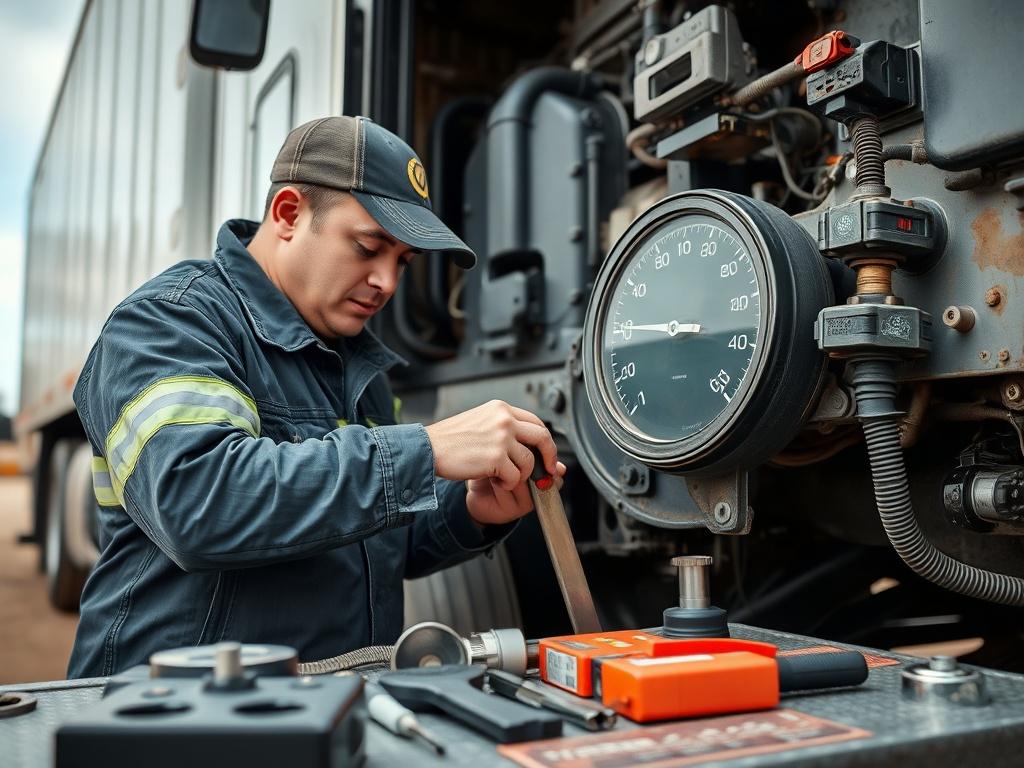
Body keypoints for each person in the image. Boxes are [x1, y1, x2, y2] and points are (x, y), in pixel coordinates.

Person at [68, 116, 564, 678]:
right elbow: (198, 503)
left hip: (322, 712)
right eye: (368, 247)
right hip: (170, 716)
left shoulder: (359, 366)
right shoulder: (172, 321)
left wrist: (472, 513)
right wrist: (422, 452)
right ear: (288, 214)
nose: (387, 283)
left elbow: (368, 549)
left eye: (402, 261)